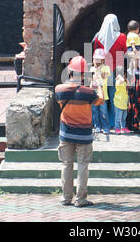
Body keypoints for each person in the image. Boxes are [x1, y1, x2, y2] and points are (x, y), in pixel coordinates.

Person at [55, 55, 104, 207]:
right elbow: (100, 100)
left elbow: (60, 102)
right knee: (83, 165)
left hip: (66, 133)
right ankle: (80, 199)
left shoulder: (59, 89)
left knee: (66, 164)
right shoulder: (88, 92)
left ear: (69, 70)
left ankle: (65, 197)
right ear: (83, 74)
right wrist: (98, 83)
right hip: (84, 135)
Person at [93, 14, 127, 128]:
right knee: (115, 97)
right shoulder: (122, 37)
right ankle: (114, 123)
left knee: (102, 97)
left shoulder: (98, 37)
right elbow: (126, 52)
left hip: (101, 71)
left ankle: (103, 124)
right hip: (117, 70)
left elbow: (95, 54)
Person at [89, 48, 111, 136]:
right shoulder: (91, 69)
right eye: (95, 59)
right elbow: (89, 80)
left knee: (103, 112)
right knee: (94, 111)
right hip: (93, 94)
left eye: (99, 59)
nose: (97, 61)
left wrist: (98, 69)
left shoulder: (106, 68)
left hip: (103, 95)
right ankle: (97, 126)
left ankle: (106, 127)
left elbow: (105, 77)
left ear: (103, 60)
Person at [113, 65, 130, 134]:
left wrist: (127, 79)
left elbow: (129, 86)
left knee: (124, 117)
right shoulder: (118, 81)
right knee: (118, 117)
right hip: (118, 101)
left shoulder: (124, 81)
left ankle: (123, 127)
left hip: (124, 101)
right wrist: (120, 76)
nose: (124, 75)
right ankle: (117, 128)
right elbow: (122, 80)